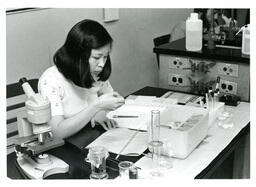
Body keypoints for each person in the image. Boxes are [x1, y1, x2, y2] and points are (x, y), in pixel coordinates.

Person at [38, 19, 125, 139]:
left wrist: (100, 112)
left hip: (87, 137)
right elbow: (57, 133)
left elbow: (108, 101)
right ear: (77, 56)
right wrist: (97, 107)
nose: (102, 64)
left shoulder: (95, 71)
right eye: (96, 57)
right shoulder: (51, 80)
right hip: (63, 146)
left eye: (105, 57)